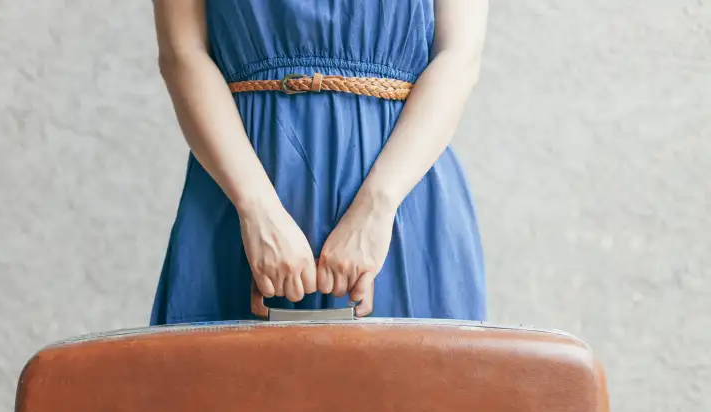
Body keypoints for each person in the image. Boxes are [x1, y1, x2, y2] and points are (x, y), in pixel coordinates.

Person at [150, 0, 488, 325]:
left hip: (403, 195)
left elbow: (459, 57)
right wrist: (256, 210)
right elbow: (182, 54)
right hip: (237, 194)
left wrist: (377, 207)